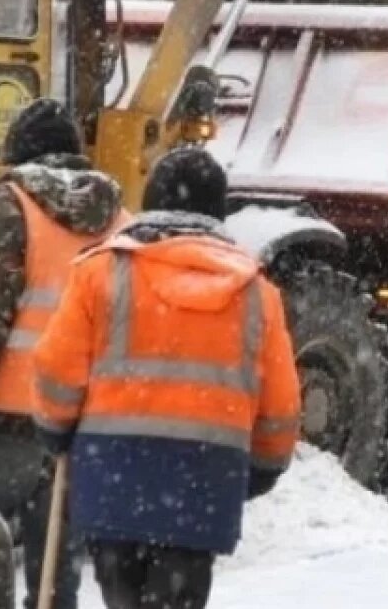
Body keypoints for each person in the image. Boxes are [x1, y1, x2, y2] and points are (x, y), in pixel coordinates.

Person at [31, 148, 301, 609]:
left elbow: (57, 370)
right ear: (219, 210)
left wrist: (55, 433)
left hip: (112, 475)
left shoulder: (100, 273)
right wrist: (261, 468)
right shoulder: (257, 294)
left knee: (121, 593)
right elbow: (280, 406)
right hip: (204, 484)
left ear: (151, 201)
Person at [0, 99, 130, 609]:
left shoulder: (4, 209)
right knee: (57, 586)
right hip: (83, 433)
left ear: (16, 152)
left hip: (1, 430)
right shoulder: (122, 223)